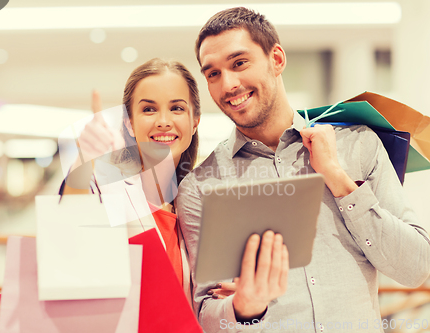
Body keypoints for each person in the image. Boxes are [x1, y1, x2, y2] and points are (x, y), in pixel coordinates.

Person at [176, 7, 430, 332]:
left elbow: (416, 268)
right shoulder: (201, 187)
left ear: (277, 59)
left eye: (239, 63)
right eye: (212, 73)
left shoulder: (357, 145)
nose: (228, 84)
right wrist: (244, 306)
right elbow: (207, 315)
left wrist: (339, 180)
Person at [63, 57, 201, 295]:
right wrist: (84, 160)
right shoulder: (108, 187)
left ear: (195, 121)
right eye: (149, 109)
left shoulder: (200, 198)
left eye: (177, 108)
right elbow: (69, 223)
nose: (164, 122)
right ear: (129, 123)